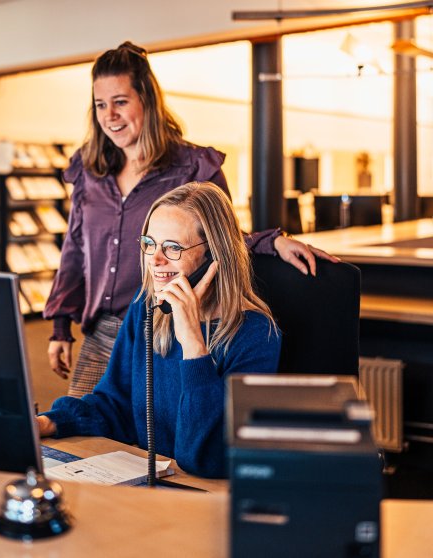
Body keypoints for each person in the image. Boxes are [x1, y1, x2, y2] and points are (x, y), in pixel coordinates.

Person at [44, 41, 334, 398]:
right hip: (101, 333)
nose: (109, 116)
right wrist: (60, 327)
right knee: (83, 433)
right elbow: (75, 251)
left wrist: (269, 241)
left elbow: (220, 236)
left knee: (157, 441)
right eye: (100, 105)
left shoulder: (192, 167)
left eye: (120, 102)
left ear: (147, 101)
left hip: (165, 325)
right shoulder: (90, 171)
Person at [38, 182, 281, 478]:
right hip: (152, 488)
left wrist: (193, 344)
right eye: (149, 243)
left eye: (173, 247)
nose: (155, 259)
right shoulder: (147, 308)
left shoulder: (256, 333)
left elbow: (208, 458)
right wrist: (49, 422)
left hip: (208, 497)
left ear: (215, 256)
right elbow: (115, 404)